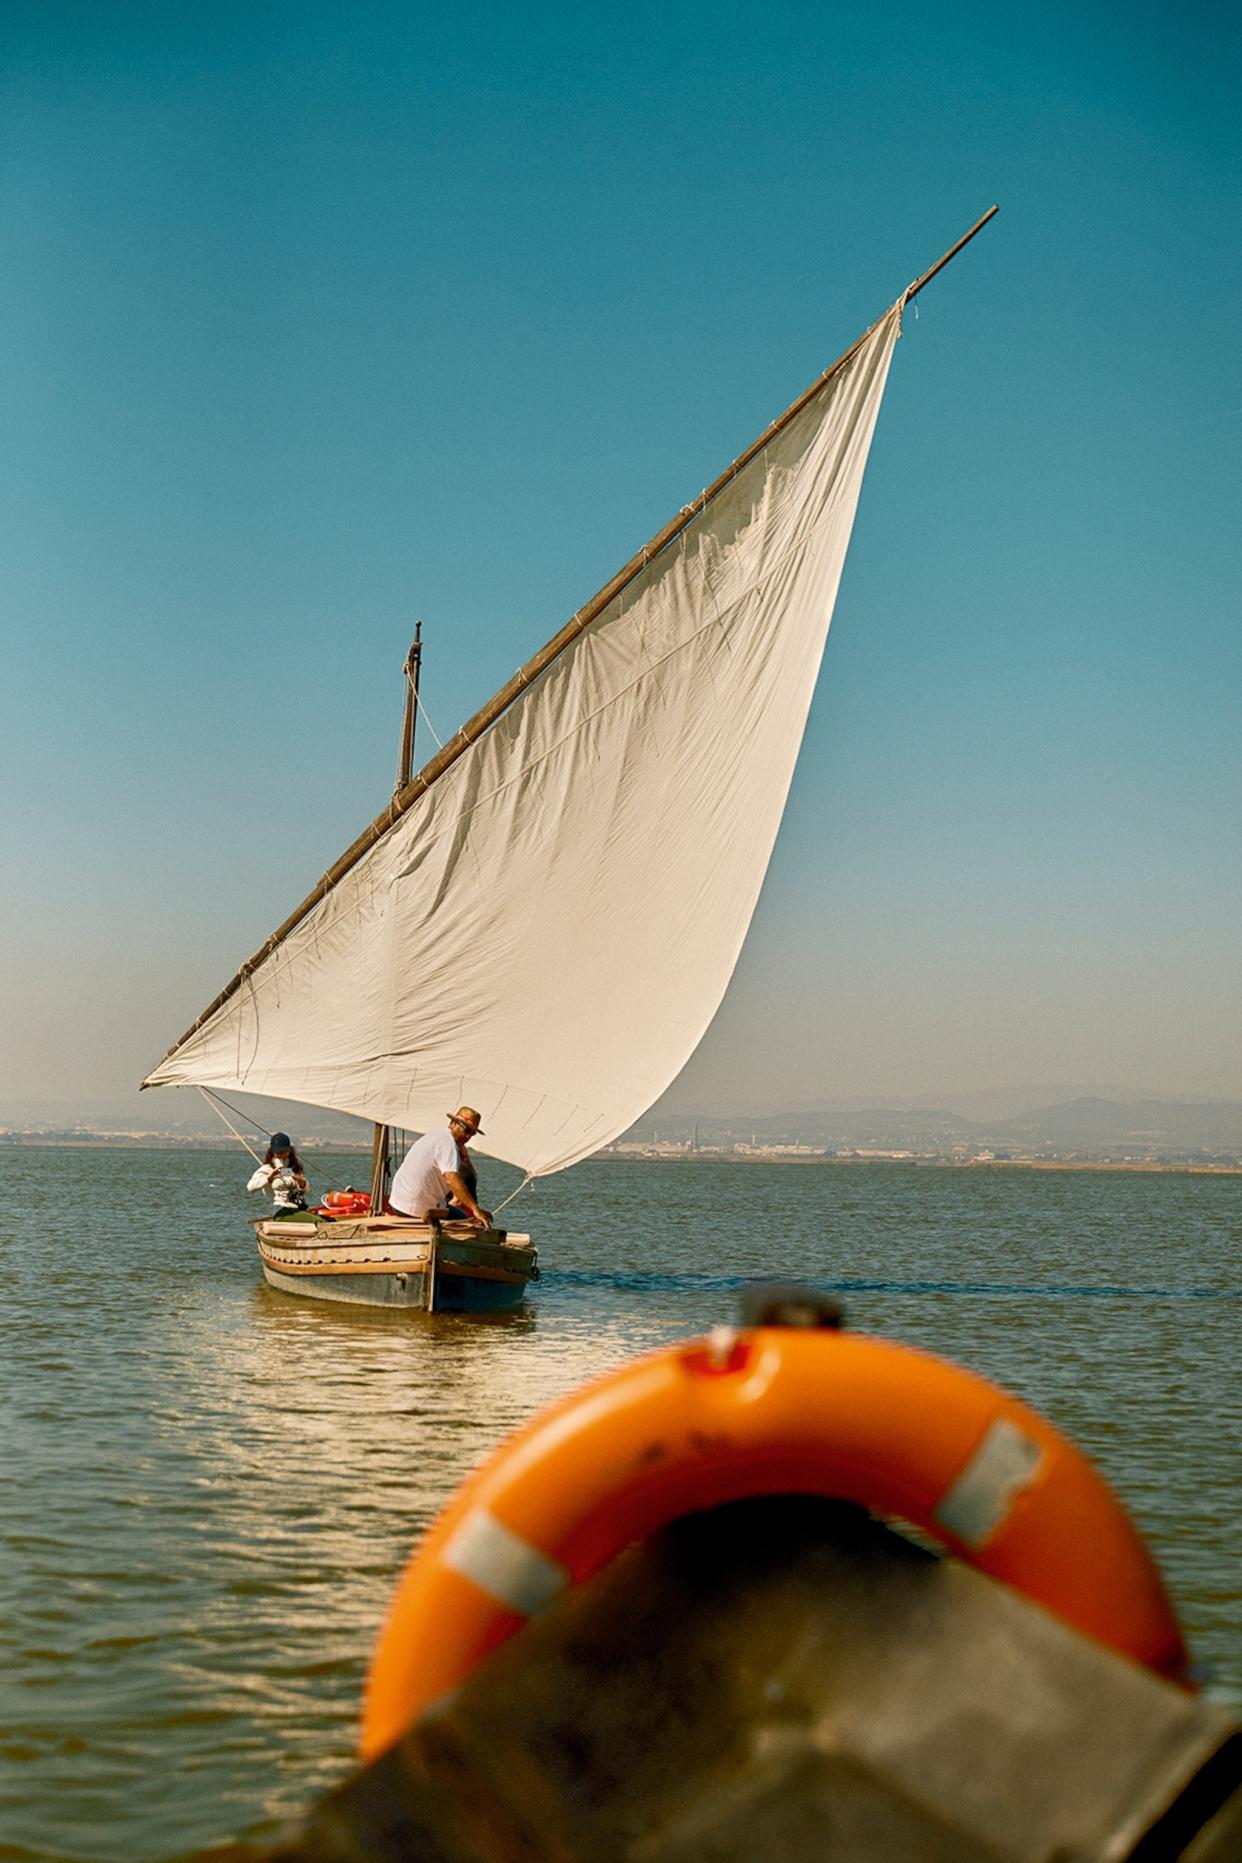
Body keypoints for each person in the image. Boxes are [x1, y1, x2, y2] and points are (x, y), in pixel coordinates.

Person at [389, 1107, 493, 1227]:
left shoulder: (437, 1135)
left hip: (398, 1203)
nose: (468, 1136)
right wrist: (475, 1209)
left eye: (472, 1133)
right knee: (464, 1221)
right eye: (466, 1130)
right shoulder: (448, 1143)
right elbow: (451, 1178)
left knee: (453, 1211)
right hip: (416, 1209)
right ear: (453, 1124)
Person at [247, 1132, 309, 1217]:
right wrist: (268, 1178)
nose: (282, 1155)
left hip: (295, 1207)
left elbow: (304, 1190)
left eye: (285, 1152)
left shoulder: (291, 1169)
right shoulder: (267, 1169)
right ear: (273, 1152)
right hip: (278, 1210)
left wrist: (302, 1183)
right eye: (279, 1152)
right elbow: (250, 1187)